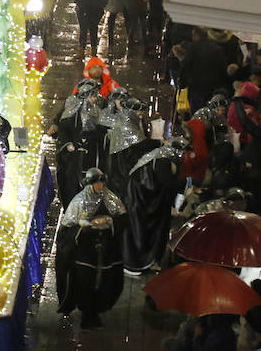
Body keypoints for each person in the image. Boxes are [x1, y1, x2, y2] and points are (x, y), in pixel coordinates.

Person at [56, 168, 127, 330]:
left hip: (106, 249)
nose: (100, 186)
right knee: (85, 282)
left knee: (105, 280)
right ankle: (87, 314)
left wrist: (109, 222)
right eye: (97, 182)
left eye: (102, 182)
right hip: (85, 251)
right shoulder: (79, 201)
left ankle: (97, 310)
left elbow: (122, 218)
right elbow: (67, 228)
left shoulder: (110, 199)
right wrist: (83, 226)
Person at [122, 136, 188, 275]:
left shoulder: (161, 156)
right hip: (141, 201)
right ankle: (140, 263)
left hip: (144, 199)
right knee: (141, 233)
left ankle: (148, 261)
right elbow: (168, 183)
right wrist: (183, 185)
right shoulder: (163, 161)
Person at [48, 79, 104, 207]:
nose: (95, 99)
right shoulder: (72, 112)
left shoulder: (97, 111)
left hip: (89, 154)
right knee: (70, 182)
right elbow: (64, 128)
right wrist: (68, 144)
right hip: (73, 156)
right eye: (92, 96)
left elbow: (101, 129)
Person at [180, 27, 228, 114]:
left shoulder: (193, 48)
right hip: (213, 86)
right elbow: (222, 69)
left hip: (196, 85)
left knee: (196, 112)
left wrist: (182, 82)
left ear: (196, 35)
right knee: (210, 111)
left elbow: (187, 66)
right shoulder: (217, 49)